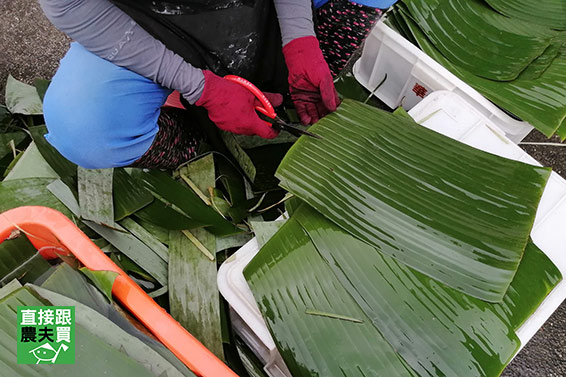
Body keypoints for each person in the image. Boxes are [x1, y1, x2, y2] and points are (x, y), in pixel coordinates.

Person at [39, 0, 341, 169]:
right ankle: (200, 141)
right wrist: (200, 87)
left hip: (261, 11)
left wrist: (300, 37)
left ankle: (304, 71)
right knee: (85, 127)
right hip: (151, 29)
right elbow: (70, 4)